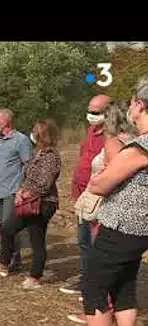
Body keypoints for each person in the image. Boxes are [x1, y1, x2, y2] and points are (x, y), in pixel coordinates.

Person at [81, 78, 148, 326]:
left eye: (131, 103)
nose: (129, 108)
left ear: (140, 105)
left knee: (94, 286)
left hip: (122, 227)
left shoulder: (139, 148)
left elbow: (99, 184)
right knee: (124, 285)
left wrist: (101, 177)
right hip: (140, 228)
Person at [68, 101, 137, 324]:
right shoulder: (135, 141)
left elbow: (112, 179)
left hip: (110, 213)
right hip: (128, 220)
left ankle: (102, 313)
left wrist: (97, 182)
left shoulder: (114, 143)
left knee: (97, 282)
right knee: (124, 285)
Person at [0, 119, 61, 289]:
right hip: (28, 200)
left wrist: (26, 194)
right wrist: (20, 191)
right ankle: (3, 264)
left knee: (37, 238)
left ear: (42, 134)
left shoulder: (51, 156)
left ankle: (35, 277)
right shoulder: (38, 153)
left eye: (35, 130)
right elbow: (27, 176)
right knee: (7, 228)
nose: (32, 133)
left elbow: (44, 183)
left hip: (42, 203)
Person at [61, 94, 111, 296]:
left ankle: (97, 283)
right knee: (83, 241)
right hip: (82, 195)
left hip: (98, 197)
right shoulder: (90, 131)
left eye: (96, 112)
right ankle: (85, 277)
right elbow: (83, 158)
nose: (91, 115)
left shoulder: (112, 137)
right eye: (89, 110)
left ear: (108, 113)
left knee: (96, 241)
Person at [0, 108, 33, 270]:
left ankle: (14, 259)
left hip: (13, 189)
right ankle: (4, 256)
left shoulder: (21, 140)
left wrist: (23, 188)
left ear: (6, 121)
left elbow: (28, 165)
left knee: (10, 225)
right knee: (1, 224)